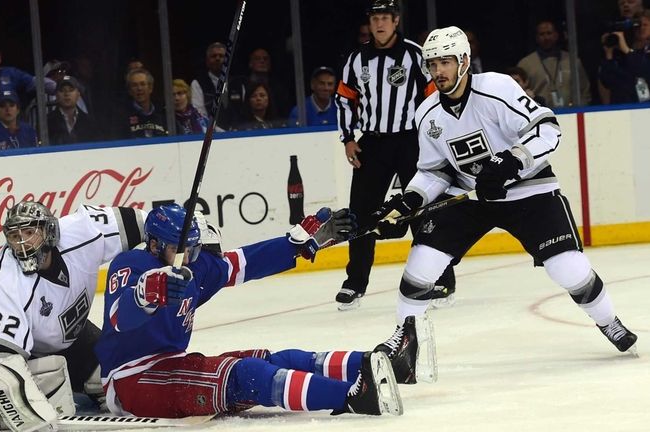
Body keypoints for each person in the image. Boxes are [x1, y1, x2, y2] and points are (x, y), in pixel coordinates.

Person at [372, 26, 638, 386]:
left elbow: (548, 129)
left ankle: (609, 322)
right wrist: (410, 200)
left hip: (529, 190)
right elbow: (434, 172)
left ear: (464, 61)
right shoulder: (427, 114)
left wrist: (512, 161)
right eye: (433, 64)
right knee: (419, 270)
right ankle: (405, 344)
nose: (439, 71)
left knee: (569, 271)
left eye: (446, 62)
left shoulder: (496, 89)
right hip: (471, 198)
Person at [96, 203, 405, 418]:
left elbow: (244, 262)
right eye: (181, 249)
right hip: (132, 380)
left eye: (194, 248)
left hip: (170, 365)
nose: (189, 256)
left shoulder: (192, 263)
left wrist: (299, 243)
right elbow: (119, 318)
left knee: (277, 360)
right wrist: (148, 293)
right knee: (249, 375)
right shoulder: (132, 265)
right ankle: (353, 396)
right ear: (153, 244)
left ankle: (379, 363)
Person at [0, 201, 149, 430]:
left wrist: (188, 230)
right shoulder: (5, 284)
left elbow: (146, 223)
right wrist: (25, 414)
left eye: (29, 232)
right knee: (41, 396)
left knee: (110, 377)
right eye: (14, 236)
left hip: (58, 330)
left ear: (50, 231)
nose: (22, 243)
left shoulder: (82, 231)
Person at [333, 0, 455, 310]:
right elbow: (345, 100)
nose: (380, 23)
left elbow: (434, 101)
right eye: (375, 18)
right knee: (361, 212)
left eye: (385, 17)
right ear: (370, 22)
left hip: (412, 142)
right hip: (372, 143)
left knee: (424, 208)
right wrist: (348, 138)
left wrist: (434, 138)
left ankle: (441, 278)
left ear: (396, 20)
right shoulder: (356, 59)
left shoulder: (415, 54)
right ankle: (355, 283)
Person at [516, 20, 591, 107]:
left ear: (556, 35)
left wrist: (580, 108)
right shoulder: (526, 64)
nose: (546, 37)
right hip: (540, 115)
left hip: (572, 114)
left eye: (549, 33)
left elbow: (585, 91)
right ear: (536, 38)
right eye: (542, 34)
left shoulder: (572, 61)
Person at [599, 10, 650, 104]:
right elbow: (607, 81)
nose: (641, 28)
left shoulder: (627, 50)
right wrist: (609, 54)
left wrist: (626, 50)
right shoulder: (622, 50)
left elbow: (643, 70)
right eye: (637, 25)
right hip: (623, 106)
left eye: (645, 25)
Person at [116, 68, 168, 138]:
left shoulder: (163, 113)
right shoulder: (121, 116)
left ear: (150, 88)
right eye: (134, 85)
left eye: (143, 84)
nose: (139, 88)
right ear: (130, 91)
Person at [47, 75, 99, 144]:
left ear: (78, 94)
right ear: (56, 95)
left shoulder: (90, 122)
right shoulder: (46, 122)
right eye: (62, 90)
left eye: (71, 90)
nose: (67, 94)